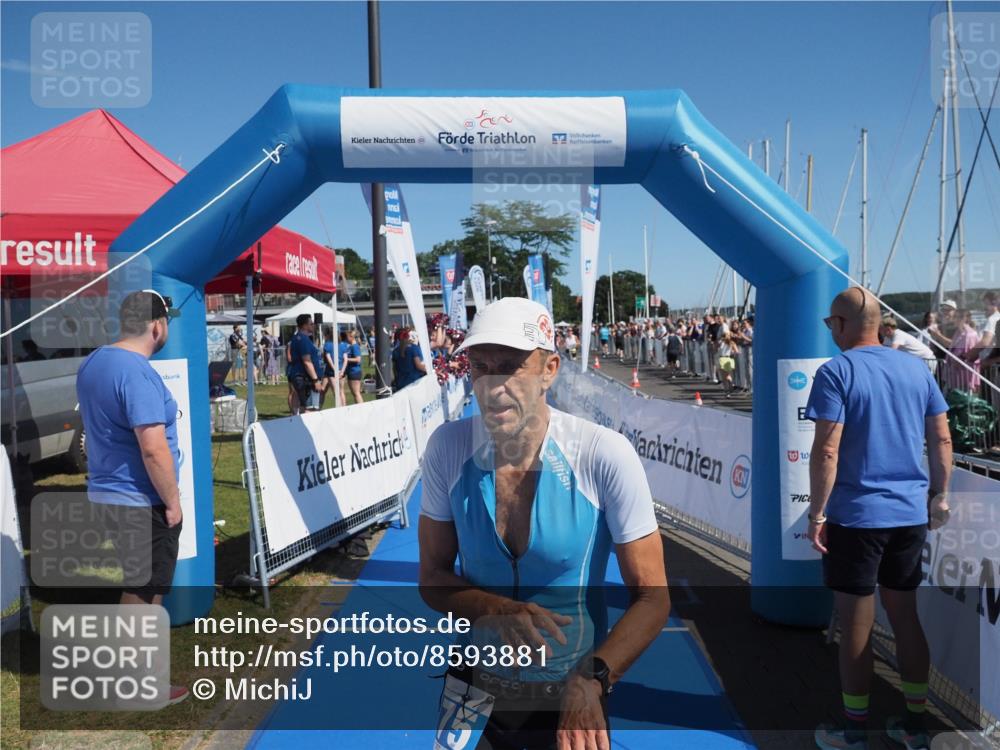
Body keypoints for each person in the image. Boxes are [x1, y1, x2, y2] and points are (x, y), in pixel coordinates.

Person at [418, 297, 670, 750]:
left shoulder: (601, 453)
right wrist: (495, 609)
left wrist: (595, 678)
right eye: (480, 367)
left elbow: (653, 597)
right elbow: (432, 577)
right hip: (472, 684)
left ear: (549, 370)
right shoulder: (448, 448)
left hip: (571, 692)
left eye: (511, 367)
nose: (493, 386)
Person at [805, 287, 952, 750]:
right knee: (905, 617)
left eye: (831, 323)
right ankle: (915, 725)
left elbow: (827, 451)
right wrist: (940, 495)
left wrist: (816, 513)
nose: (830, 331)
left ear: (843, 324)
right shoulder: (915, 368)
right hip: (909, 514)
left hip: (857, 517)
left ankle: (854, 731)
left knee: (856, 624)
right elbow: (942, 440)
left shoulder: (837, 371)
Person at [75, 289, 189, 706]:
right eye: (167, 323)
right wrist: (172, 502)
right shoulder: (136, 372)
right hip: (140, 497)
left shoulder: (94, 362)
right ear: (157, 326)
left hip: (109, 491)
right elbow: (153, 448)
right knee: (143, 592)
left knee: (141, 585)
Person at [287, 313, 323, 415]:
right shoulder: (303, 339)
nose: (313, 325)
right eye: (311, 324)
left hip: (301, 376)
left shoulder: (297, 338)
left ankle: (297, 419)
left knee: (304, 406)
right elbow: (307, 361)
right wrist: (315, 380)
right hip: (306, 378)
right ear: (304, 325)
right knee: (311, 409)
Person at [943, 309, 980, 393]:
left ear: (963, 319)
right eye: (954, 317)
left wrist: (960, 360)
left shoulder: (970, 334)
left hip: (965, 377)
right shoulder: (957, 333)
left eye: (955, 317)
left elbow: (973, 355)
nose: (953, 319)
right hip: (953, 375)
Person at [343, 329, 364, 404]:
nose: (346, 338)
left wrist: (346, 359)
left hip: (354, 371)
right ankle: (359, 408)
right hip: (351, 371)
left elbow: (358, 359)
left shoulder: (355, 346)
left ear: (351, 337)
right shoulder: (351, 346)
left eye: (347, 336)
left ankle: (362, 408)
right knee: (355, 393)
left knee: (356, 393)